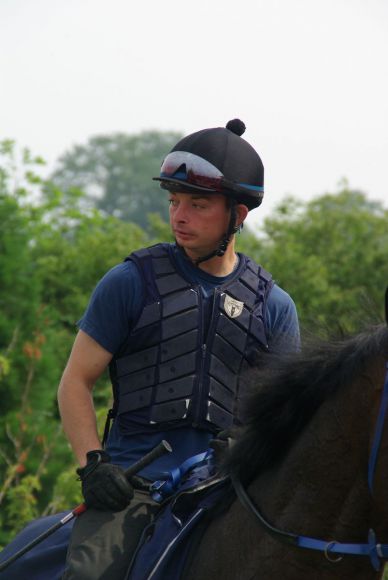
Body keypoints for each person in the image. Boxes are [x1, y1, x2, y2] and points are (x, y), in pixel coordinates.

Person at [56, 118, 300, 579]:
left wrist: (250, 440)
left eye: (198, 204)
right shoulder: (128, 283)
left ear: (238, 216)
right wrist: (93, 466)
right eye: (173, 202)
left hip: (228, 490)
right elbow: (75, 383)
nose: (179, 216)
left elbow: (287, 417)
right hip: (133, 487)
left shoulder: (275, 308)